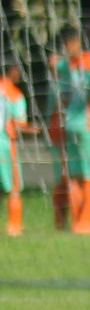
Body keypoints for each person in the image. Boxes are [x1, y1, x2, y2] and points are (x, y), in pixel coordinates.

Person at [50, 26, 90, 234]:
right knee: (89, 175)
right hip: (87, 123)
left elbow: (55, 65)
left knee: (74, 176)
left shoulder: (68, 64)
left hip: (69, 122)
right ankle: (86, 223)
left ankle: (76, 222)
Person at [0, 62, 26, 236]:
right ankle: (14, 227)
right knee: (13, 187)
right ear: (13, 71)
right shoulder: (15, 94)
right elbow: (19, 124)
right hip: (4, 144)